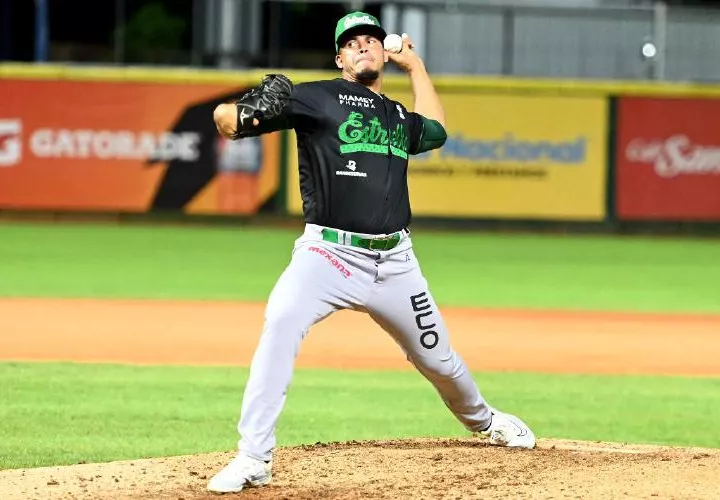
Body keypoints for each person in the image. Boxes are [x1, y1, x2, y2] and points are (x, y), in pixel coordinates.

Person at [207, 11, 536, 494]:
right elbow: (225, 122)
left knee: (440, 361)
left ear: (384, 52)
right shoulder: (315, 96)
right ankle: (254, 456)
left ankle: (485, 422)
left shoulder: (398, 117)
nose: (364, 47)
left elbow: (438, 132)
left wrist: (417, 68)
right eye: (353, 42)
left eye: (372, 41)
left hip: (396, 262)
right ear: (340, 57)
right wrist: (242, 112)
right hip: (327, 256)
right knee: (280, 323)